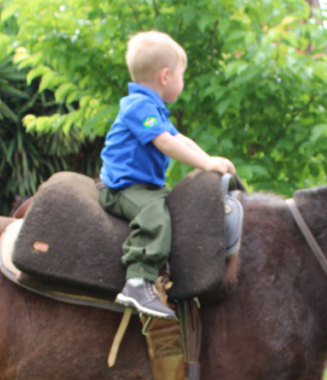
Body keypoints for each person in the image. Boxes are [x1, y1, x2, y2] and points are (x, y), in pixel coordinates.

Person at [98, 31, 236, 321]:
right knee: (154, 217)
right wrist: (206, 164)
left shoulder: (153, 109)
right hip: (123, 188)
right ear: (165, 76)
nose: (182, 81)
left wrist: (210, 161)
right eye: (181, 75)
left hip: (143, 186)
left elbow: (178, 138)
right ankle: (138, 281)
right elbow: (165, 142)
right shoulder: (138, 107)